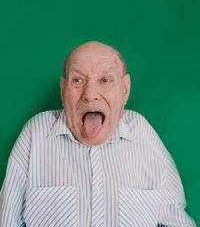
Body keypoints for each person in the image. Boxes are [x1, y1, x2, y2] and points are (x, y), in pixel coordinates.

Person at [0, 41, 196, 227]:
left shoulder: (142, 134)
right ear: (62, 90)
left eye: (105, 80)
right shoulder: (37, 133)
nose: (90, 94)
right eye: (77, 80)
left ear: (125, 89)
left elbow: (176, 220)